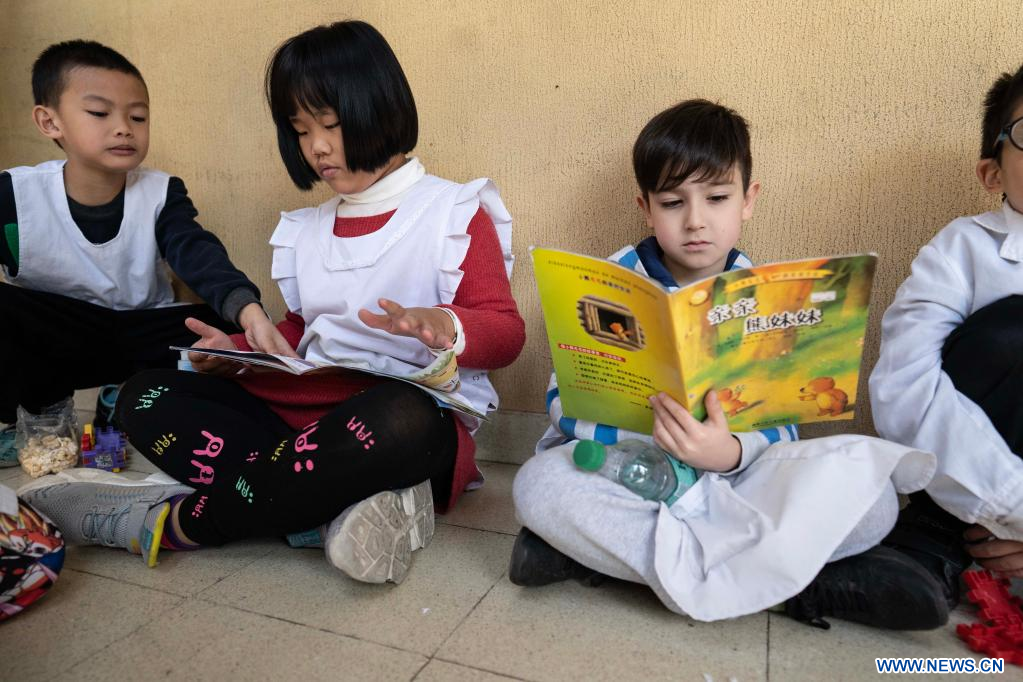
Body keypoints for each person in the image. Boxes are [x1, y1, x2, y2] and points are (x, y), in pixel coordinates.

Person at [19, 21, 525, 585]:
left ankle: (174, 522)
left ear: (381, 108)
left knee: (401, 417)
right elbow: (300, 331)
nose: (317, 147)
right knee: (144, 395)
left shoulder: (452, 212)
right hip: (296, 419)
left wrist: (444, 325)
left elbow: (506, 333)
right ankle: (322, 505)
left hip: (391, 425)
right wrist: (234, 351)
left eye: (330, 125)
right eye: (301, 130)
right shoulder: (307, 229)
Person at [511, 100, 946, 629]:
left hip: (736, 480)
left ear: (748, 200)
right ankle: (789, 586)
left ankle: (606, 561)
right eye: (672, 202)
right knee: (539, 485)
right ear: (646, 208)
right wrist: (639, 433)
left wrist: (729, 452)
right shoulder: (605, 283)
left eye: (717, 198)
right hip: (632, 476)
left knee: (875, 498)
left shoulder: (771, 297)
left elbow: (784, 422)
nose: (696, 220)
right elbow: (565, 396)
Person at [0, 40, 289, 439]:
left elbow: (196, 251)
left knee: (219, 326)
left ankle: (127, 397)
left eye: (137, 116)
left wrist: (248, 310)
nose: (123, 127)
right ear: (50, 122)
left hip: (142, 329)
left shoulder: (161, 192)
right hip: (61, 336)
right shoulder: (14, 195)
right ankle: (39, 415)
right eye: (99, 113)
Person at [870, 63, 1023, 606]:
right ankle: (930, 544)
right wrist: (1014, 504)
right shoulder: (963, 250)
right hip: (967, 498)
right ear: (993, 173)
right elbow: (903, 383)